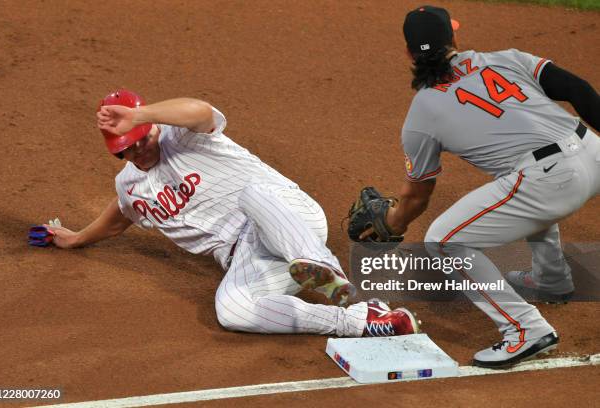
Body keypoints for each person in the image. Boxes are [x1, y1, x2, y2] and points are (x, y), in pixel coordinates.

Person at [47, 89, 420, 338]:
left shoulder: (184, 136)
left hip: (285, 214)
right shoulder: (129, 187)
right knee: (232, 311)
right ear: (117, 151)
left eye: (143, 137)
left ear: (151, 126)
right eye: (129, 147)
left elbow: (200, 111)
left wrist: (139, 113)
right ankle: (360, 320)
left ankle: (322, 266)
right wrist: (77, 237)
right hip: (250, 254)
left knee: (251, 194)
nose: (139, 149)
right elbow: (118, 218)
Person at [372, 5, 599, 367]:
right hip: (592, 148)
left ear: (408, 54)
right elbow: (578, 89)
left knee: (444, 239)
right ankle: (551, 280)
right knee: (520, 191)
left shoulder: (421, 114)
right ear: (454, 39)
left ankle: (525, 330)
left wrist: (392, 224)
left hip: (551, 180)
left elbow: (417, 197)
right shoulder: (506, 59)